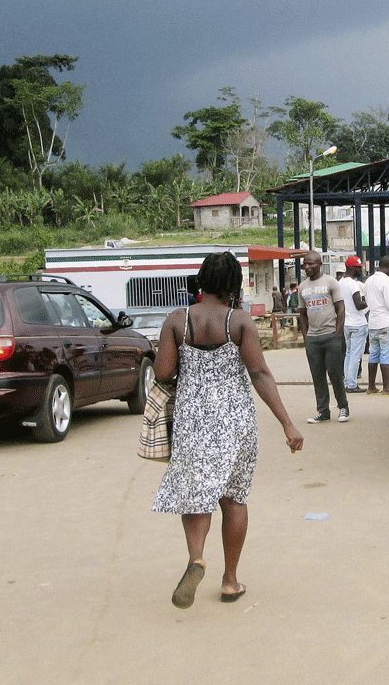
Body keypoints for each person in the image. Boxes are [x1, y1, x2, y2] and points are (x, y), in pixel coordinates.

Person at [151, 252, 303, 609]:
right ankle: (230, 581)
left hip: (192, 421)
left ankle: (196, 558)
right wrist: (287, 423)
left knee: (195, 492)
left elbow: (162, 373)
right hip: (235, 421)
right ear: (234, 285)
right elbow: (260, 374)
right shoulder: (239, 322)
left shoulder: (177, 320)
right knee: (234, 498)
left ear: (201, 280)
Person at [297, 250, 350, 423]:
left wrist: (338, 333)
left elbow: (340, 308)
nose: (307, 267)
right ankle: (323, 411)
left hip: (331, 336)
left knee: (335, 374)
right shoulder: (303, 287)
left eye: (311, 263)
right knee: (317, 376)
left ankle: (343, 408)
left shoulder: (330, 282)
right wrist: (307, 337)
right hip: (313, 339)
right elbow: (302, 314)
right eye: (305, 264)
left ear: (319, 264)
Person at [365, 255, 389, 395]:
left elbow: (368, 302)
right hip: (386, 323)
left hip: (373, 322)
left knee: (373, 354)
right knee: (386, 355)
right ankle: (387, 388)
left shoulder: (369, 281)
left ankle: (371, 386)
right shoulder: (385, 281)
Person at [337, 255, 368, 393]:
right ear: (351, 268)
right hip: (358, 324)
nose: (360, 270)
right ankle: (352, 384)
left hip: (346, 324)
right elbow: (359, 305)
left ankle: (347, 382)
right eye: (358, 268)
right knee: (356, 355)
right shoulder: (353, 284)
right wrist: (371, 301)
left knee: (349, 354)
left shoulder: (340, 283)